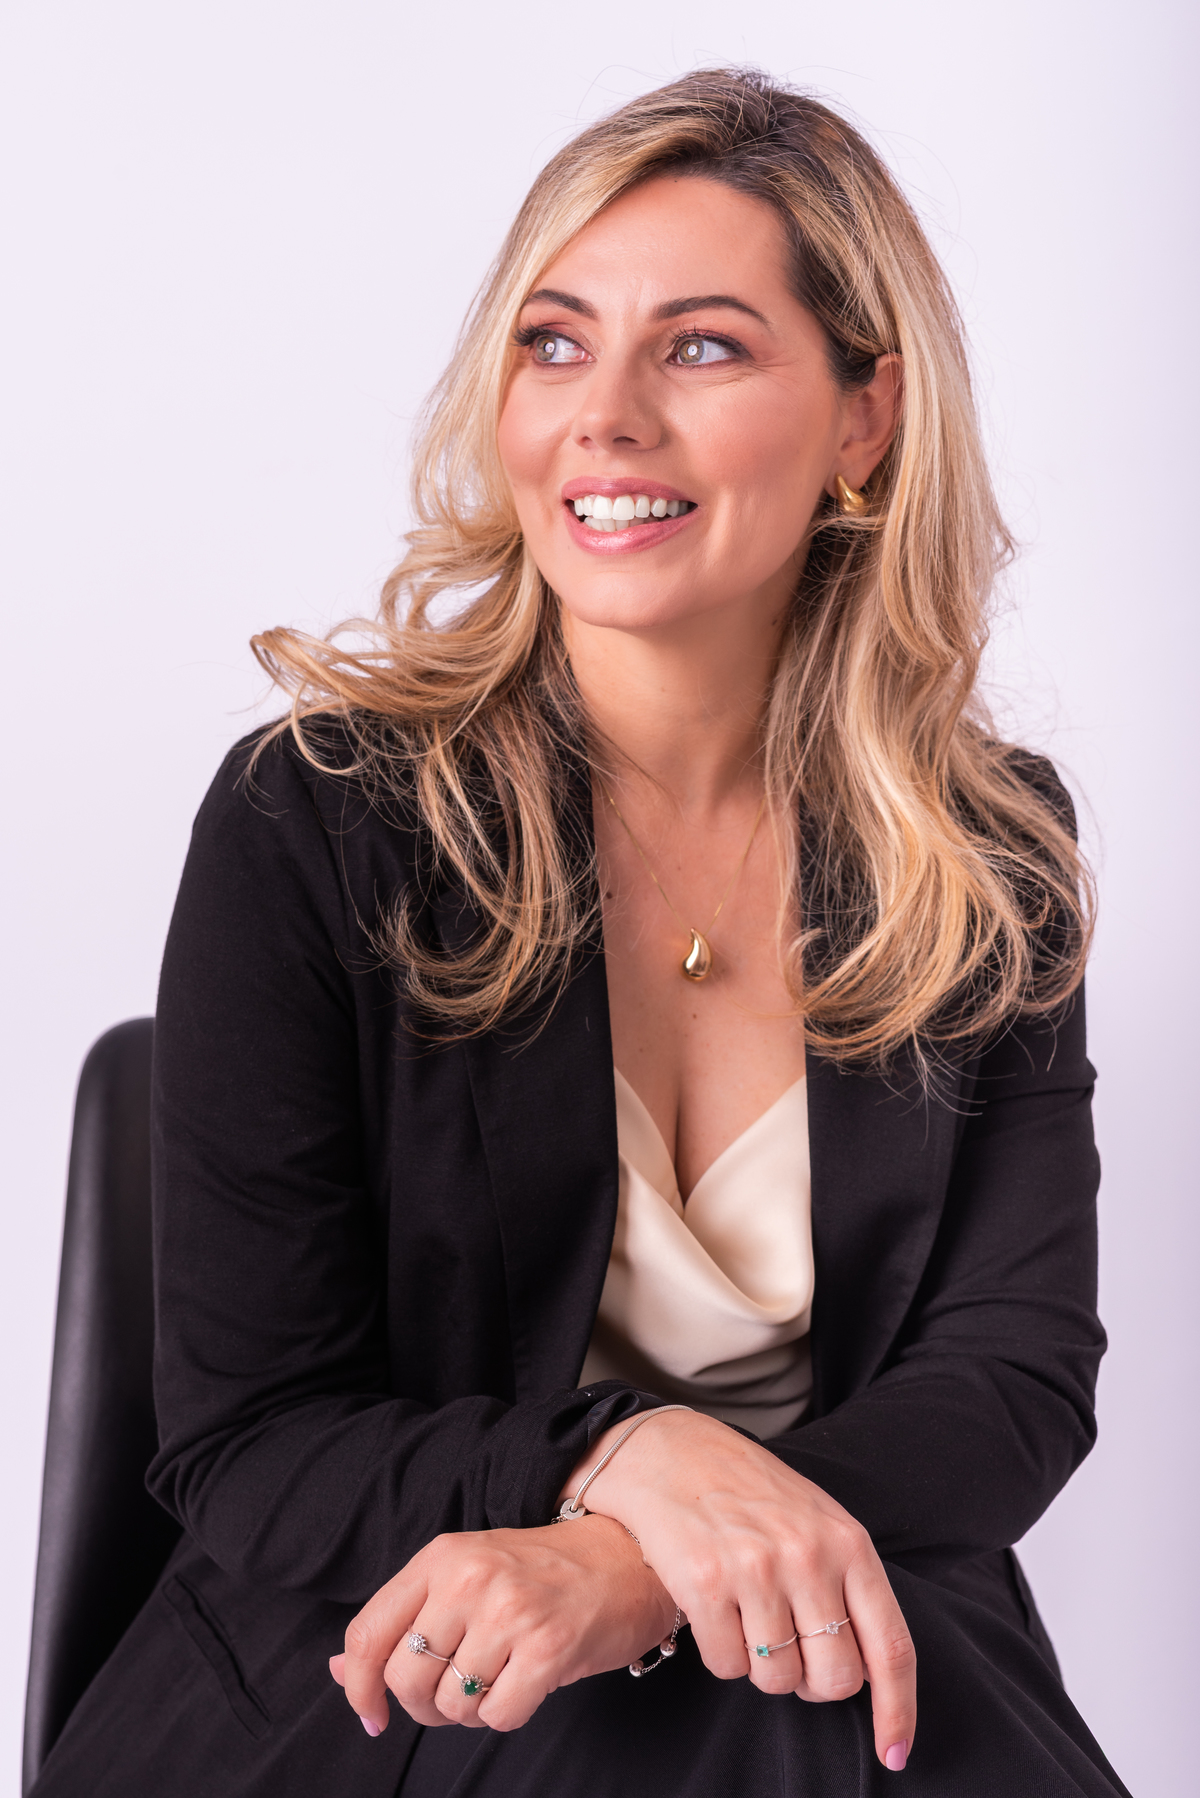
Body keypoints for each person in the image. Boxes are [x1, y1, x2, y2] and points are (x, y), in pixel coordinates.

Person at [32, 69, 1131, 1797]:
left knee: (798, 1706)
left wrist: (640, 1567)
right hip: (379, 1654)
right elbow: (254, 1440)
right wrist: (624, 1456)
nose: (603, 417)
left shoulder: (985, 853)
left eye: (700, 347)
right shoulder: (315, 818)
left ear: (865, 419)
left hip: (822, 1650)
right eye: (554, 343)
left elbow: (1014, 1380)